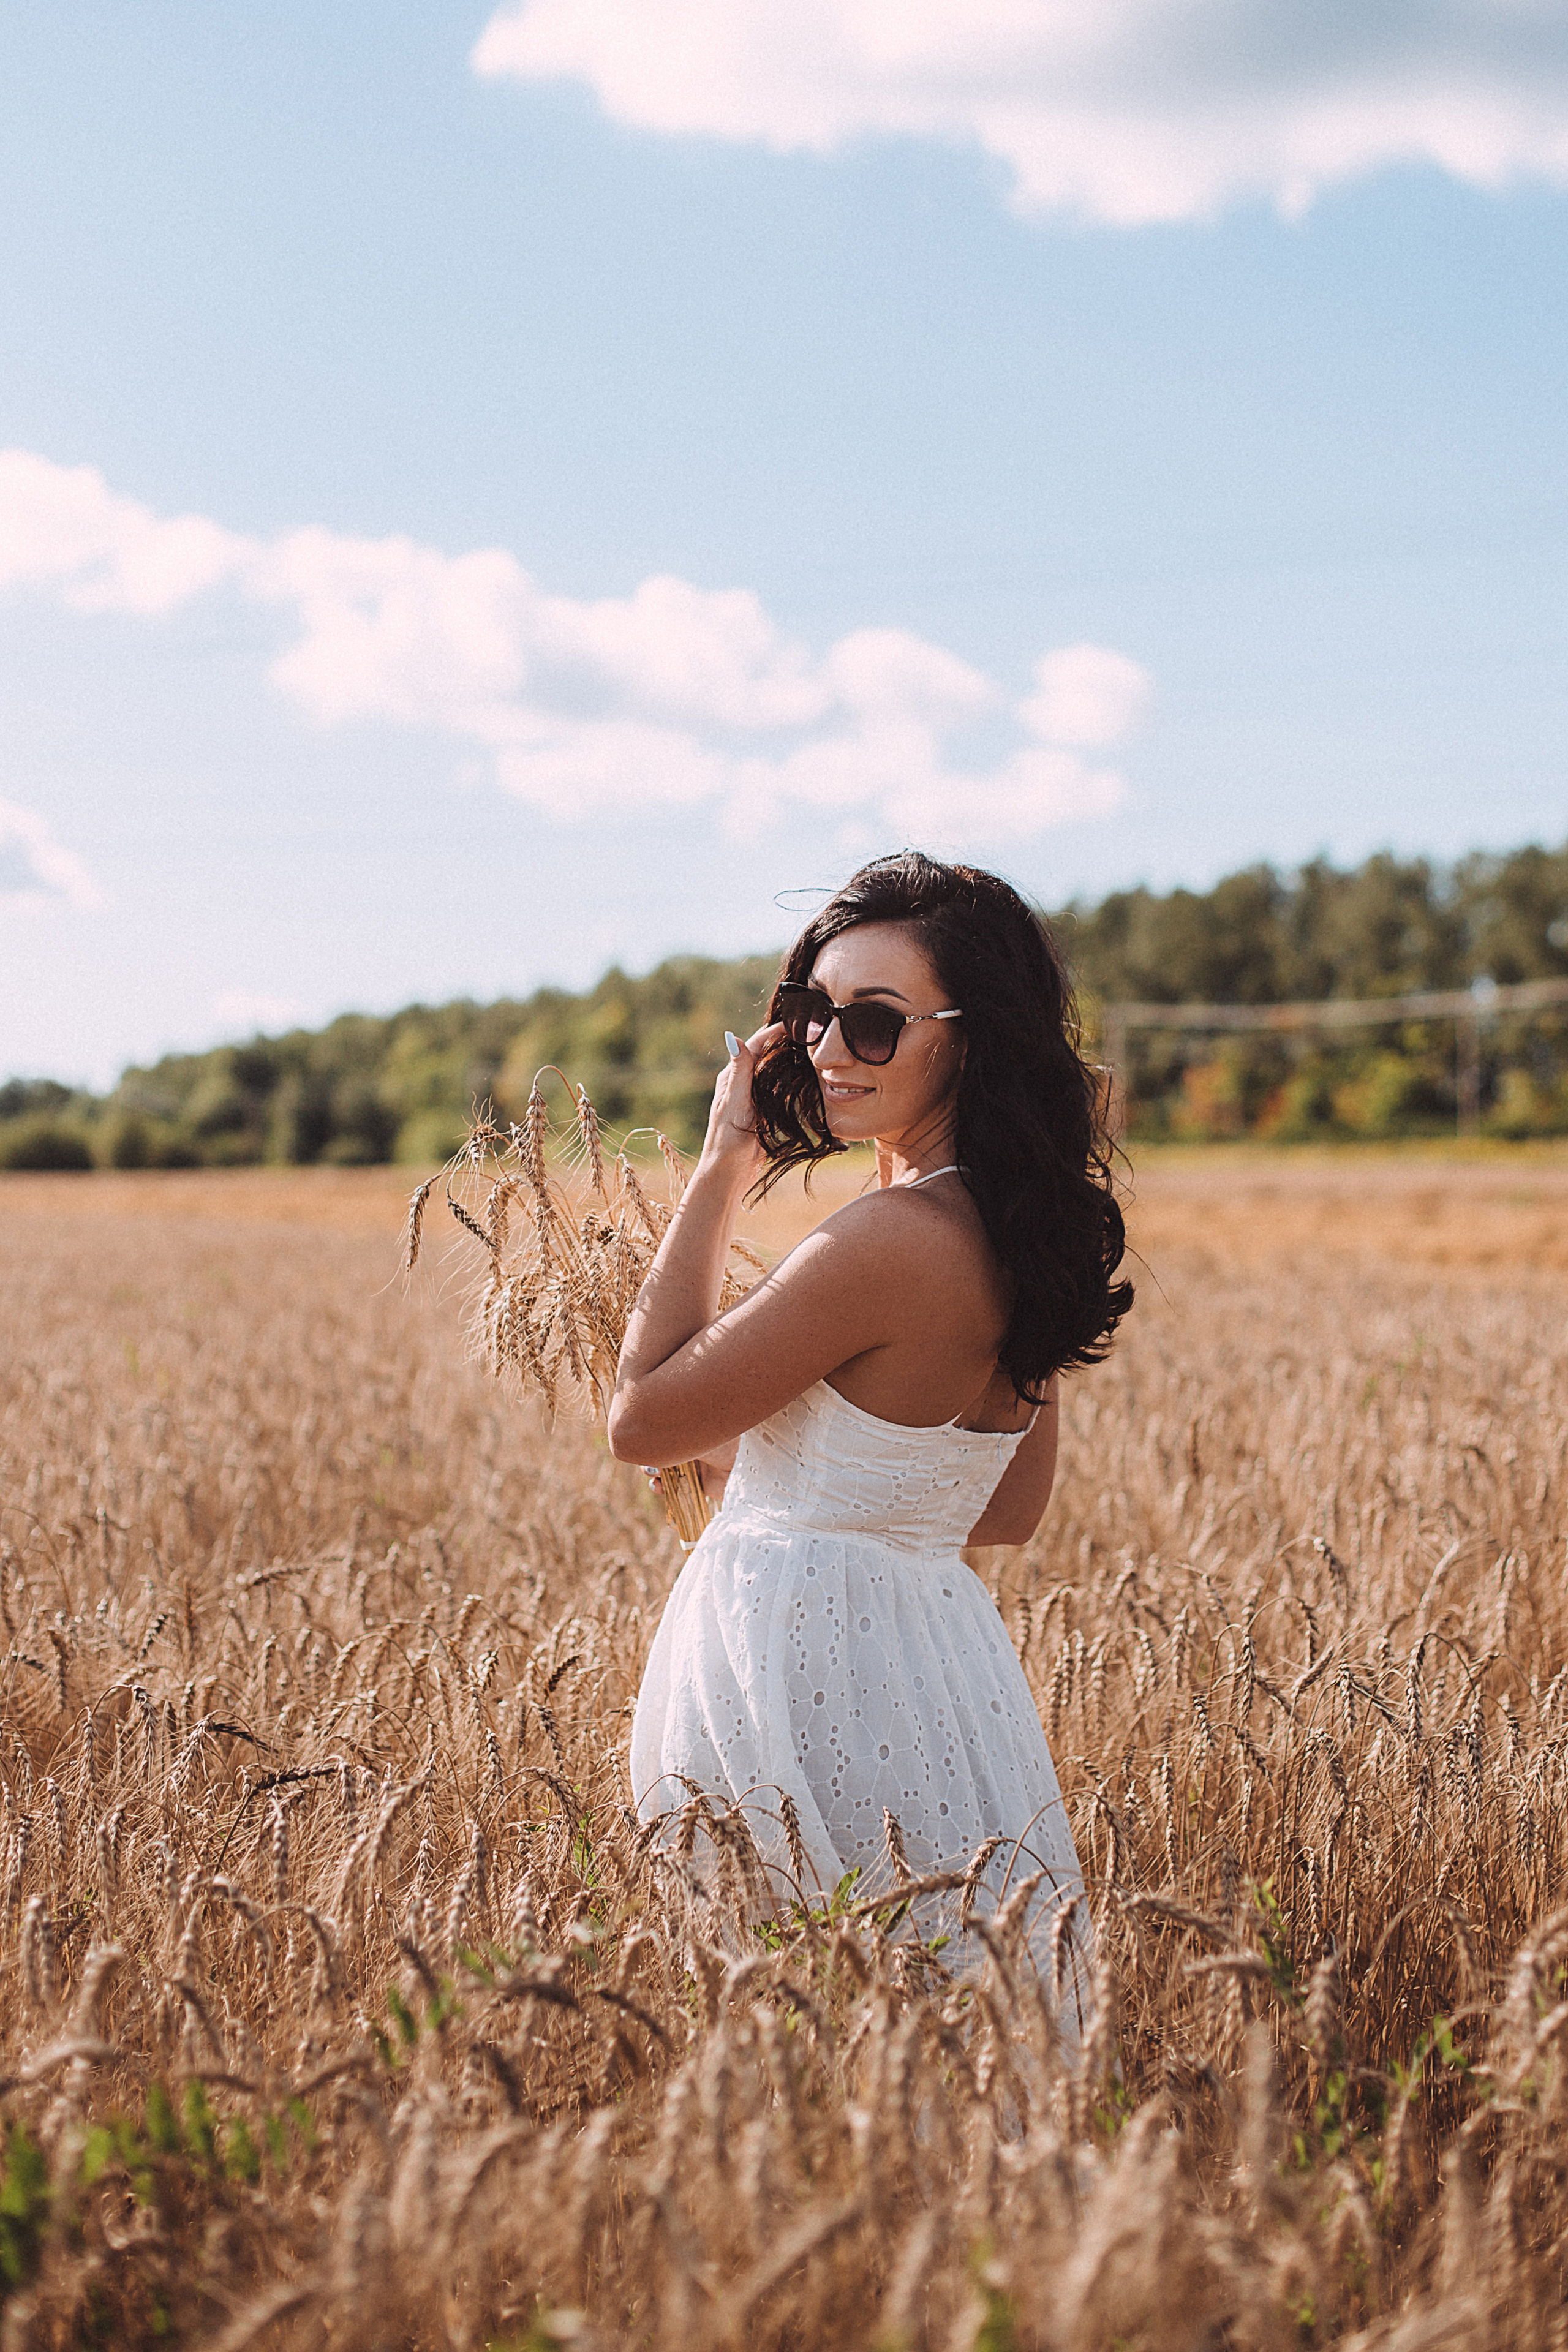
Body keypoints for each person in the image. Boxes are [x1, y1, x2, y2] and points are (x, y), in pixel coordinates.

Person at [608, 851, 1131, 1977]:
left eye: (875, 1024)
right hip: (940, 1669)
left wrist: (719, 1161)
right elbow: (1006, 1509)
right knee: (955, 2018)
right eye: (812, 1015)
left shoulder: (886, 1240)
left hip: (790, 1666)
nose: (829, 1050)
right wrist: (781, 1479)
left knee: (801, 2036)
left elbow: (640, 1416)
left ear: (973, 1037)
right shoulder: (1025, 1235)